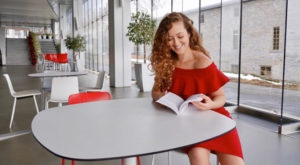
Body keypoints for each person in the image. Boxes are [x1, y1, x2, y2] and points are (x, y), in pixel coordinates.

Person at [150, 12, 245, 165]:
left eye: (180, 36)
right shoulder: (166, 62)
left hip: (215, 118)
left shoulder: (202, 61)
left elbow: (220, 97)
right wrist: (163, 97)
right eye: (169, 39)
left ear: (189, 33)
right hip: (189, 123)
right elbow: (155, 93)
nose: (176, 42)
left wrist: (211, 104)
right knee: (198, 157)